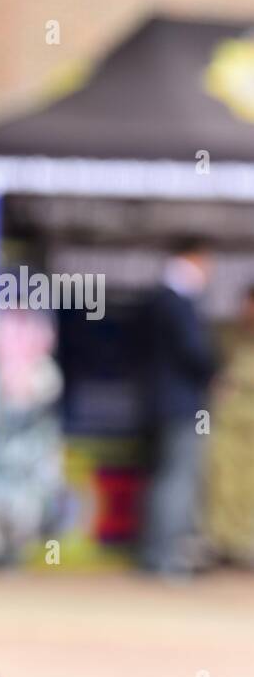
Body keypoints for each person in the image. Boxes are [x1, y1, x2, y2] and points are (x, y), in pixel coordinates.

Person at [138, 238, 220, 576]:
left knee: (166, 477)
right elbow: (195, 352)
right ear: (193, 259)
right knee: (178, 479)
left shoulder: (158, 299)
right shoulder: (177, 302)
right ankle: (166, 557)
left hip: (159, 402)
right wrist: (216, 372)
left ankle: (159, 554)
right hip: (181, 405)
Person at [205, 285, 254, 566]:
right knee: (221, 482)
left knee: (249, 487)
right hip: (226, 423)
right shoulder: (226, 333)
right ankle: (220, 545)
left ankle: (244, 547)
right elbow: (207, 366)